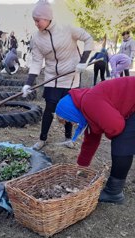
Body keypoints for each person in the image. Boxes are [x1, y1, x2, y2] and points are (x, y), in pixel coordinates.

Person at [21, 0, 94, 150]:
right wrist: (28, 83)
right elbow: (36, 62)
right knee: (49, 109)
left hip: (71, 77)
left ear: (47, 18)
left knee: (68, 108)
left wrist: (83, 61)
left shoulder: (66, 28)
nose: (36, 23)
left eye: (37, 20)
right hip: (51, 79)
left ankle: (68, 138)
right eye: (34, 20)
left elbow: (88, 39)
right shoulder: (37, 38)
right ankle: (42, 139)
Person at [55, 77, 135, 204]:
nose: (73, 123)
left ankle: (113, 193)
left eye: (69, 120)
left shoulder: (90, 102)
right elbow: (90, 141)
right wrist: (81, 168)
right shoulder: (86, 107)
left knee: (122, 143)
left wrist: (107, 131)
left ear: (71, 112)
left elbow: (116, 127)